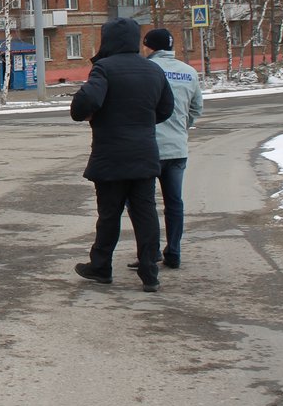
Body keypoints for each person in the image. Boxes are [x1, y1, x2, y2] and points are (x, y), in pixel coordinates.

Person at [70, 18, 174, 292]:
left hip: (111, 155)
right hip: (144, 153)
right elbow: (166, 109)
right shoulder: (153, 70)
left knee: (109, 214)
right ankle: (150, 271)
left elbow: (85, 102)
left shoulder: (104, 68)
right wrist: (141, 122)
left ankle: (101, 267)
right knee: (145, 213)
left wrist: (90, 113)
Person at [133, 28, 204, 270]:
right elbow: (196, 108)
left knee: (142, 203)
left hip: (150, 147)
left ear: (149, 47)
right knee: (174, 202)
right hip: (177, 148)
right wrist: (182, 128)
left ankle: (149, 252)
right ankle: (173, 251)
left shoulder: (147, 70)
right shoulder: (189, 72)